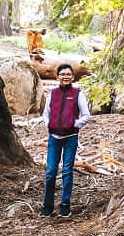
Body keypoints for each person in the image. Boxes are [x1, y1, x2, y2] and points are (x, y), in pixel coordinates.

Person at [40, 63, 91, 218]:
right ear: (57, 77)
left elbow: (86, 115)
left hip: (71, 138)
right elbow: (46, 113)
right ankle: (47, 205)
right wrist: (49, 124)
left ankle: (65, 205)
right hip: (54, 138)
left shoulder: (77, 94)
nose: (66, 77)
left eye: (69, 74)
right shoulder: (52, 93)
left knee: (67, 171)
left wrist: (74, 124)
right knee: (50, 172)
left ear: (73, 77)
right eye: (62, 74)